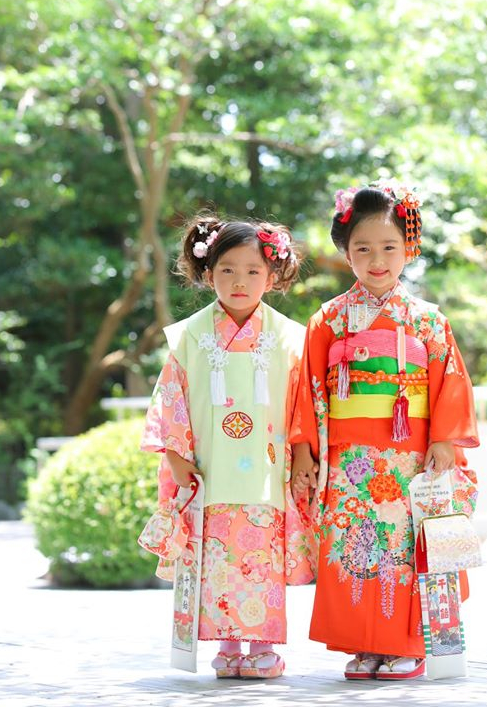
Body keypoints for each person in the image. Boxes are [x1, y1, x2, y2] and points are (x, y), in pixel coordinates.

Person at [289, 179, 479, 681]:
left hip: (410, 455)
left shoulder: (426, 320)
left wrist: (443, 438)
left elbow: (450, 383)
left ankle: (408, 646)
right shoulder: (327, 320)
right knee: (355, 544)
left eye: (389, 247)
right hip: (349, 460)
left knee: (405, 546)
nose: (377, 259)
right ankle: (364, 644)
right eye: (363, 248)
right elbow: (309, 386)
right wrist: (304, 449)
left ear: (408, 249)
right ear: (345, 252)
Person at [141, 214, 313, 680]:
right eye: (228, 271)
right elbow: (171, 397)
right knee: (218, 558)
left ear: (272, 276)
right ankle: (227, 645)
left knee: (259, 558)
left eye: (253, 271)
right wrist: (175, 457)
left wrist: (302, 455)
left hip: (267, 469)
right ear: (207, 273)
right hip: (209, 470)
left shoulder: (292, 338)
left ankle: (260, 645)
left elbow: (303, 402)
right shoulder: (190, 336)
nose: (240, 281)